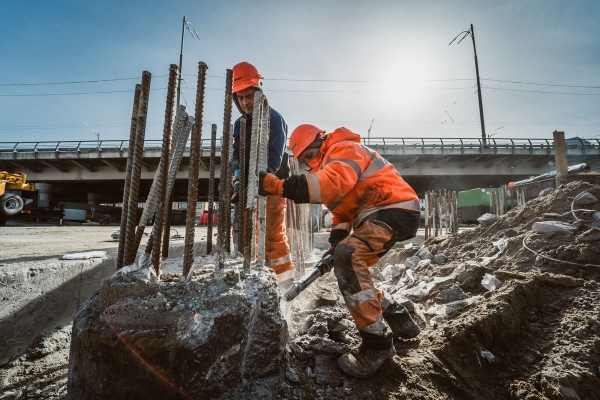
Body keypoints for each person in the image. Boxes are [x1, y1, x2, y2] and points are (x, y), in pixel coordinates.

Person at [258, 124, 421, 378]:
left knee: (349, 257)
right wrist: (333, 248)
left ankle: (378, 345)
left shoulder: (344, 149)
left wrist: (278, 186)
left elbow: (330, 185)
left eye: (311, 156)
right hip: (380, 213)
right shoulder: (327, 165)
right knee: (349, 262)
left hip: (393, 208)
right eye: (304, 161)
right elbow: (342, 215)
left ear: (321, 142)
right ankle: (399, 319)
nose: (310, 164)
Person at [231, 61, 294, 288]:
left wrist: (261, 181)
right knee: (243, 232)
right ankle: (252, 278)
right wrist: (237, 178)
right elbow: (236, 156)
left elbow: (274, 159)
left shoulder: (274, 119)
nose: (245, 102)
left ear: (259, 92)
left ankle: (284, 283)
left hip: (272, 186)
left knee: (272, 237)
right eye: (240, 98)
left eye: (249, 96)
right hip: (247, 186)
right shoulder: (239, 125)